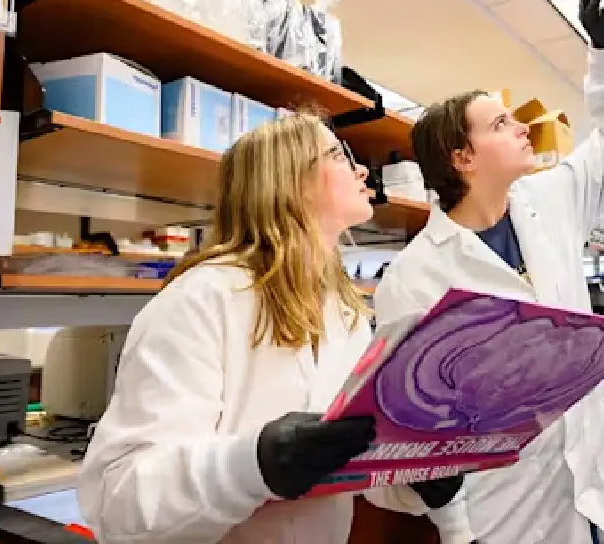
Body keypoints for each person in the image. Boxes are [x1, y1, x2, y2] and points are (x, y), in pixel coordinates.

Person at [77, 113, 473, 543]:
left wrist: (411, 480)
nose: (362, 171)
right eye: (340, 156)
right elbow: (121, 505)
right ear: (290, 180)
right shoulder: (203, 299)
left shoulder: (345, 313)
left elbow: (351, 463)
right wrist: (252, 465)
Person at [374, 0, 604, 544]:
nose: (522, 128)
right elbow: (412, 426)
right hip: (507, 502)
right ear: (463, 158)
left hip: (598, 456)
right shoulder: (415, 277)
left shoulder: (549, 201)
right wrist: (455, 528)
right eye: (501, 123)